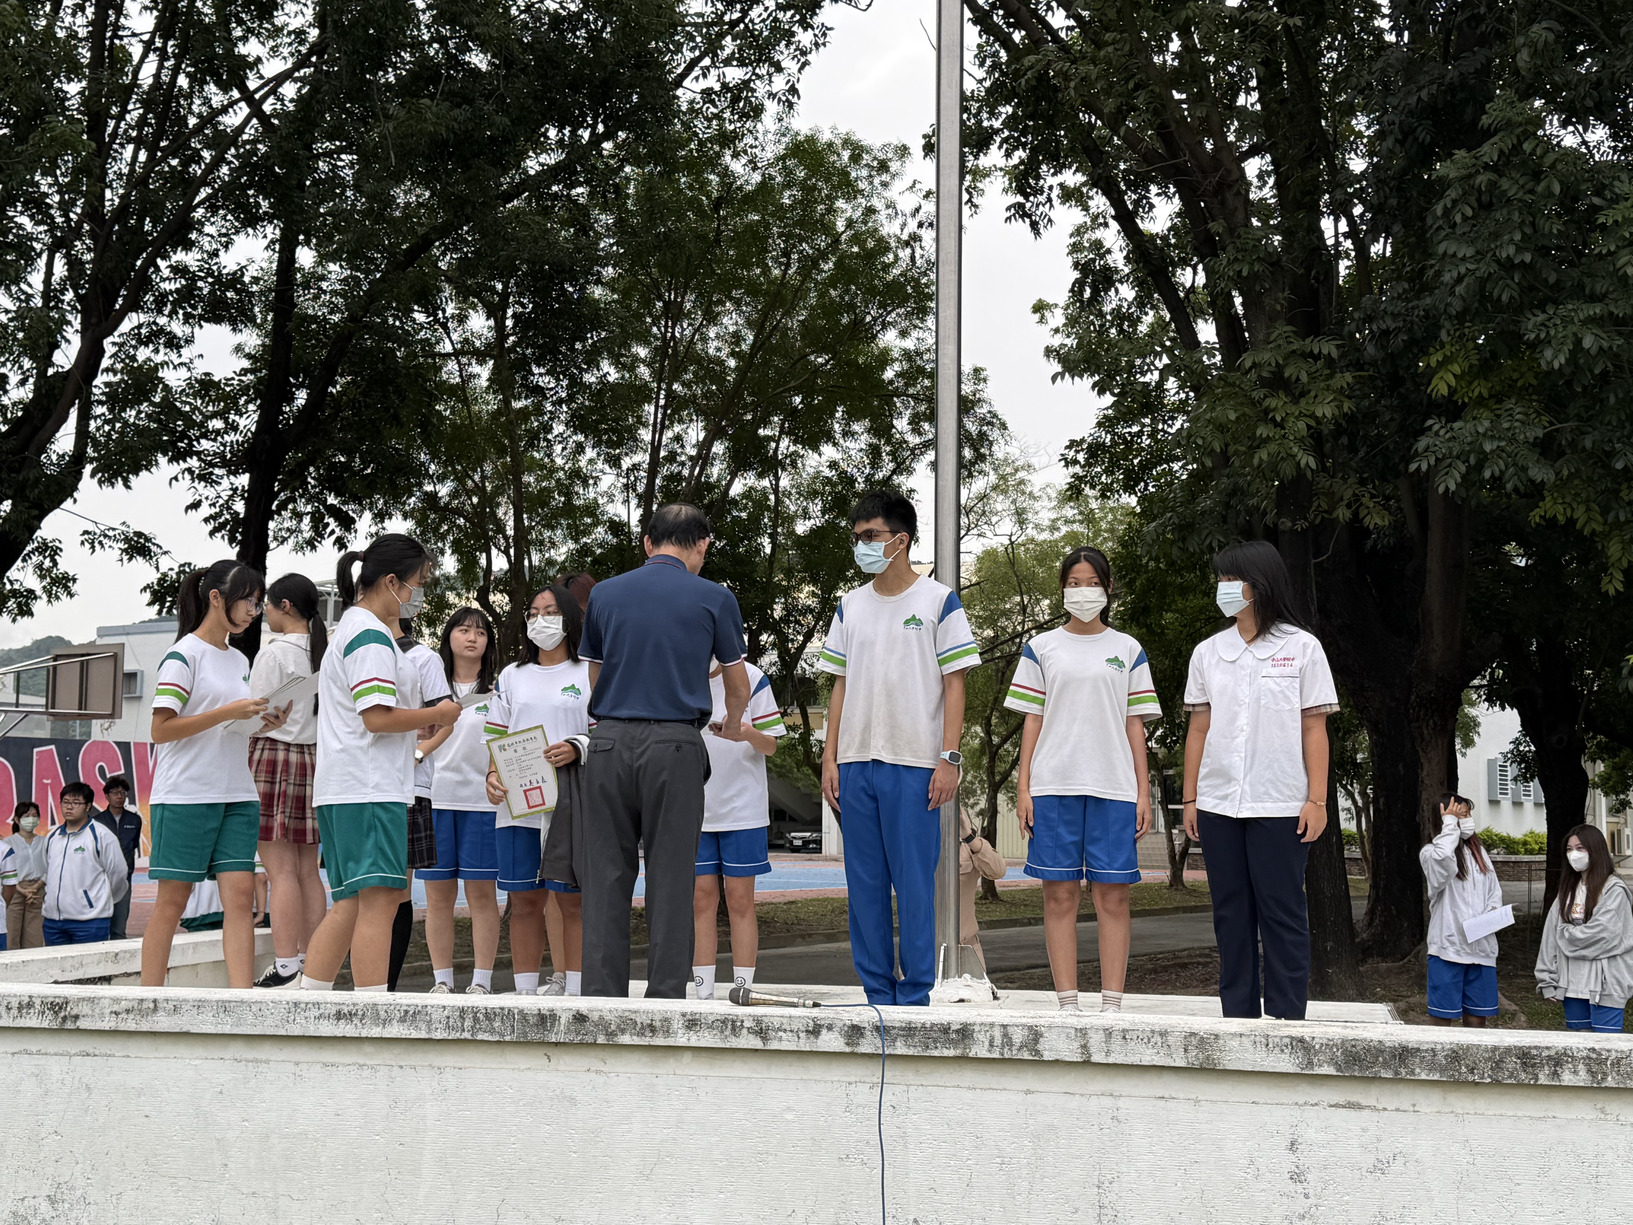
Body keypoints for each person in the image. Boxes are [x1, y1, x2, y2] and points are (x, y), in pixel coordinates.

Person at [579, 503, 751, 999]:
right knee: (672, 877)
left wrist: (609, 721)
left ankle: (602, 1000)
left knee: (607, 875)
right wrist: (733, 723)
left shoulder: (606, 594)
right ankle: (664, 1000)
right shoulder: (714, 598)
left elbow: (595, 675)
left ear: (648, 543)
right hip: (675, 743)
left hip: (609, 740)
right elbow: (736, 685)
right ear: (702, 545)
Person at [817, 490, 982, 1007]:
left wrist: (949, 758)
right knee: (864, 887)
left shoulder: (938, 601)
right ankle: (876, 996)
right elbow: (839, 684)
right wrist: (830, 755)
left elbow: (956, 684)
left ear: (901, 540)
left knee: (914, 885)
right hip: (856, 763)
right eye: (858, 537)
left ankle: (913, 996)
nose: (862, 545)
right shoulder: (850, 605)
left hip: (914, 765)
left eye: (872, 536)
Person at [1180, 540, 1339, 1021]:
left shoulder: (1302, 647)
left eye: (1232, 580)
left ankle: (1289, 1018)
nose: (1223, 589)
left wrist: (1317, 799)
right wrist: (1190, 798)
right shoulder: (1208, 652)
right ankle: (1239, 1018)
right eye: (1221, 581)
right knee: (1231, 915)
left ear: (1260, 584)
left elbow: (1315, 727)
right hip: (1219, 803)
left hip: (1280, 803)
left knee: (1282, 913)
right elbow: (1199, 728)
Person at [300, 535, 460, 993]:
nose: (418, 594)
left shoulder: (358, 631)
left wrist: (416, 724)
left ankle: (311, 998)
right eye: (417, 583)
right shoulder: (370, 636)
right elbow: (375, 717)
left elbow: (376, 715)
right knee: (379, 901)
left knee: (355, 901)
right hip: (368, 787)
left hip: (354, 785)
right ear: (391, 582)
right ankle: (371, 1011)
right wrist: (437, 714)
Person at [1007, 545, 1160, 1012]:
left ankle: (1112, 1005)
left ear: (1108, 589)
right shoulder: (1042, 647)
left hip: (1114, 789)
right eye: (1073, 583)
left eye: (1091, 582)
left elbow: (1136, 724)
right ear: (1061, 590)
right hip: (1054, 787)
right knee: (1059, 896)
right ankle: (1067, 1006)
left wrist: (1143, 792)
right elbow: (1032, 720)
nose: (1082, 591)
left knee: (1113, 897)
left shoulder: (1128, 649)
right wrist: (1024, 785)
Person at [141, 561, 288, 988]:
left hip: (237, 793)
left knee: (241, 899)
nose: (254, 610)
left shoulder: (240, 659)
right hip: (186, 793)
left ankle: (240, 1001)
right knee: (173, 900)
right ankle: (149, 1001)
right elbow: (160, 729)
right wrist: (228, 711)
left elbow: (229, 727)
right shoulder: (182, 655)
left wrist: (264, 724)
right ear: (216, 597)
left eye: (259, 603)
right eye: (248, 600)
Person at [483, 585, 593, 995]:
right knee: (524, 901)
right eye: (533, 612)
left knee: (571, 902)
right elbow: (496, 737)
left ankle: (577, 990)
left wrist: (576, 748)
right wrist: (492, 778)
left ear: (569, 619)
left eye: (550, 611)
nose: (541, 620)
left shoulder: (589, 672)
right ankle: (525, 993)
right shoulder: (512, 676)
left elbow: (604, 734)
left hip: (571, 804)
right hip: (518, 805)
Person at [691, 652, 787, 1001]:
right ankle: (703, 991)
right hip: (695, 809)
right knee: (701, 899)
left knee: (739, 898)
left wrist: (744, 732)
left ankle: (743, 989)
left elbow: (772, 745)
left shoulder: (751, 677)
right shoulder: (679, 673)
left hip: (742, 809)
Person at [249, 574, 329, 988]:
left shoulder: (274, 653)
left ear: (286, 607)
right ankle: (311, 964)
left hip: (274, 756)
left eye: (268, 604)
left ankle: (285, 968)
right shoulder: (326, 651)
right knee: (307, 871)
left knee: (278, 870)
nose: (263, 611)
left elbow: (255, 716)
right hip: (317, 760)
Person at [418, 607, 499, 994]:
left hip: (483, 805)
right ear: (448, 636)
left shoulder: (499, 690)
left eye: (480, 633)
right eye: (464, 630)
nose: (472, 638)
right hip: (434, 801)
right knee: (438, 898)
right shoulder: (430, 688)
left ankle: (481, 981)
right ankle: (442, 982)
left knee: (481, 894)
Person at [386, 614, 453, 992]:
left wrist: (419, 751)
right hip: (360, 786)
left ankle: (386, 987)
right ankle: (370, 985)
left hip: (408, 788)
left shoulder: (423, 659)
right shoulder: (349, 648)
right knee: (359, 893)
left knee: (396, 891)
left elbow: (445, 719)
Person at [1536, 824, 1633, 1034]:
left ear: (1595, 850)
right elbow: (1549, 937)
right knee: (1579, 1047)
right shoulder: (1568, 890)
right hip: (1572, 984)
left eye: (1580, 848)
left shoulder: (1614, 890)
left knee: (1606, 1050)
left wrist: (1565, 933)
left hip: (1606, 985)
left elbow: (1602, 935)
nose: (1574, 854)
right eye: (1569, 849)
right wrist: (1546, 978)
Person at [1420, 793, 1502, 1027]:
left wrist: (1492, 914)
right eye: (1459, 815)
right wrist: (1449, 826)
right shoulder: (1430, 853)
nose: (1465, 819)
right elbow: (1443, 860)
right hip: (1448, 949)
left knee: (1477, 1018)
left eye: (1467, 814)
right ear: (1444, 819)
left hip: (1481, 949)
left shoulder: (1480, 853)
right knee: (1442, 1018)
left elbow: (1493, 891)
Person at [42, 783, 130, 945]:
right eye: (65, 802)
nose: (69, 807)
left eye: (76, 803)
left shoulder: (102, 836)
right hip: (53, 922)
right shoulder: (52, 837)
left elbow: (118, 874)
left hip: (90, 922)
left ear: (88, 806)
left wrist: (98, 901)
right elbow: (47, 871)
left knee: (90, 970)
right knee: (56, 970)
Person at [93, 775, 143, 940]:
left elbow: (133, 845)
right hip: (100, 880)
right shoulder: (97, 821)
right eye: (115, 793)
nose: (120, 796)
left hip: (124, 879)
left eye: (123, 793)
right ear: (107, 796)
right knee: (98, 924)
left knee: (119, 927)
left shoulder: (134, 820)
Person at [958, 811, 1006, 981]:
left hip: (966, 950)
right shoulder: (912, 847)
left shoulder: (968, 847)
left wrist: (968, 836)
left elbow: (997, 871)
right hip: (921, 951)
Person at [2, 802, 49, 949]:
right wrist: (21, 889)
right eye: (26, 816)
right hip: (14, 891)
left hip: (37, 891)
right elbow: (5, 873)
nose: (31, 819)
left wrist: (36, 887)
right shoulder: (8, 843)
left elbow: (51, 867)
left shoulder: (44, 842)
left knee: (34, 938)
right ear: (17, 820)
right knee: (11, 935)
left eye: (34, 816)